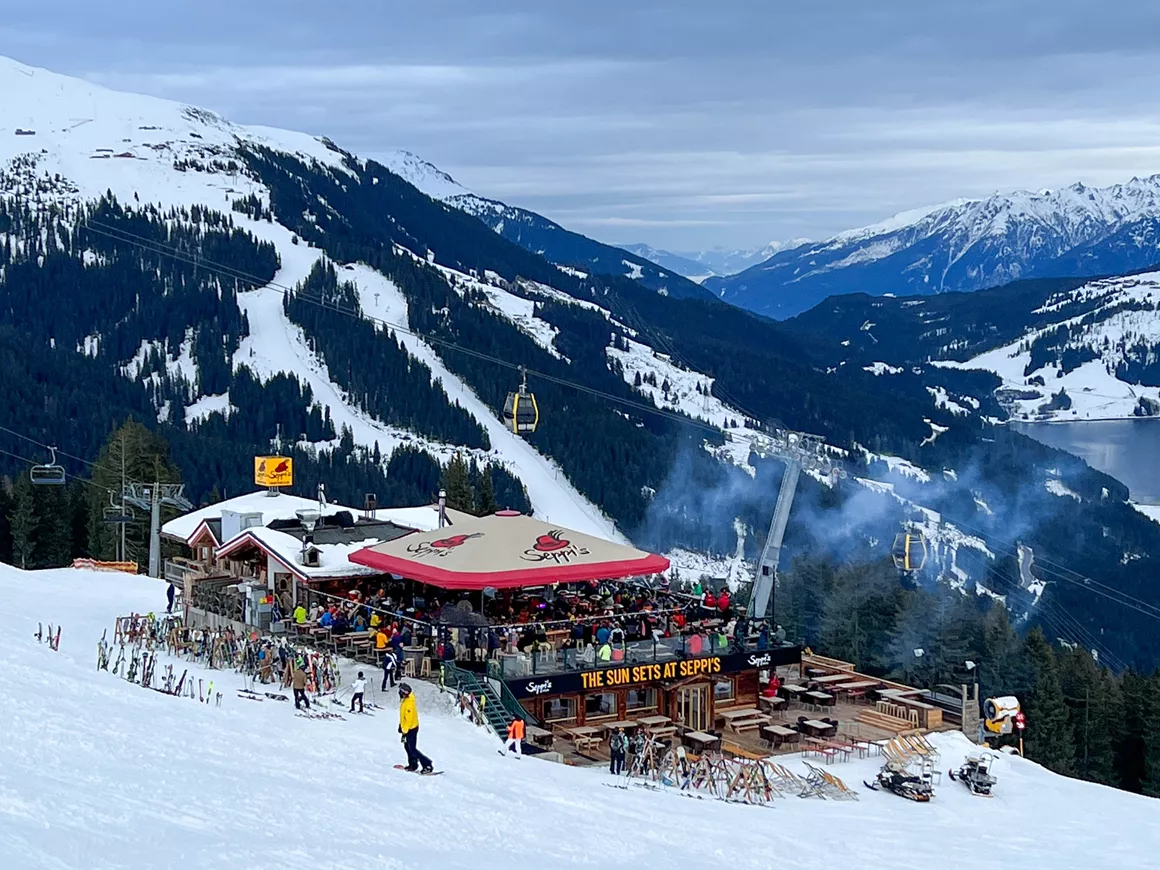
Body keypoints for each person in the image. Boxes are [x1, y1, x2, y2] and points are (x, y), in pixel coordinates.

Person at [398, 683, 434, 773]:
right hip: (407, 728)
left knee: (412, 748)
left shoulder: (409, 703)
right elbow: (403, 716)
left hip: (411, 729)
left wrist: (405, 730)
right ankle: (413, 764)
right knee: (407, 747)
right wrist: (401, 725)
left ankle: (427, 764)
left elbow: (409, 719)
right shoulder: (405, 700)